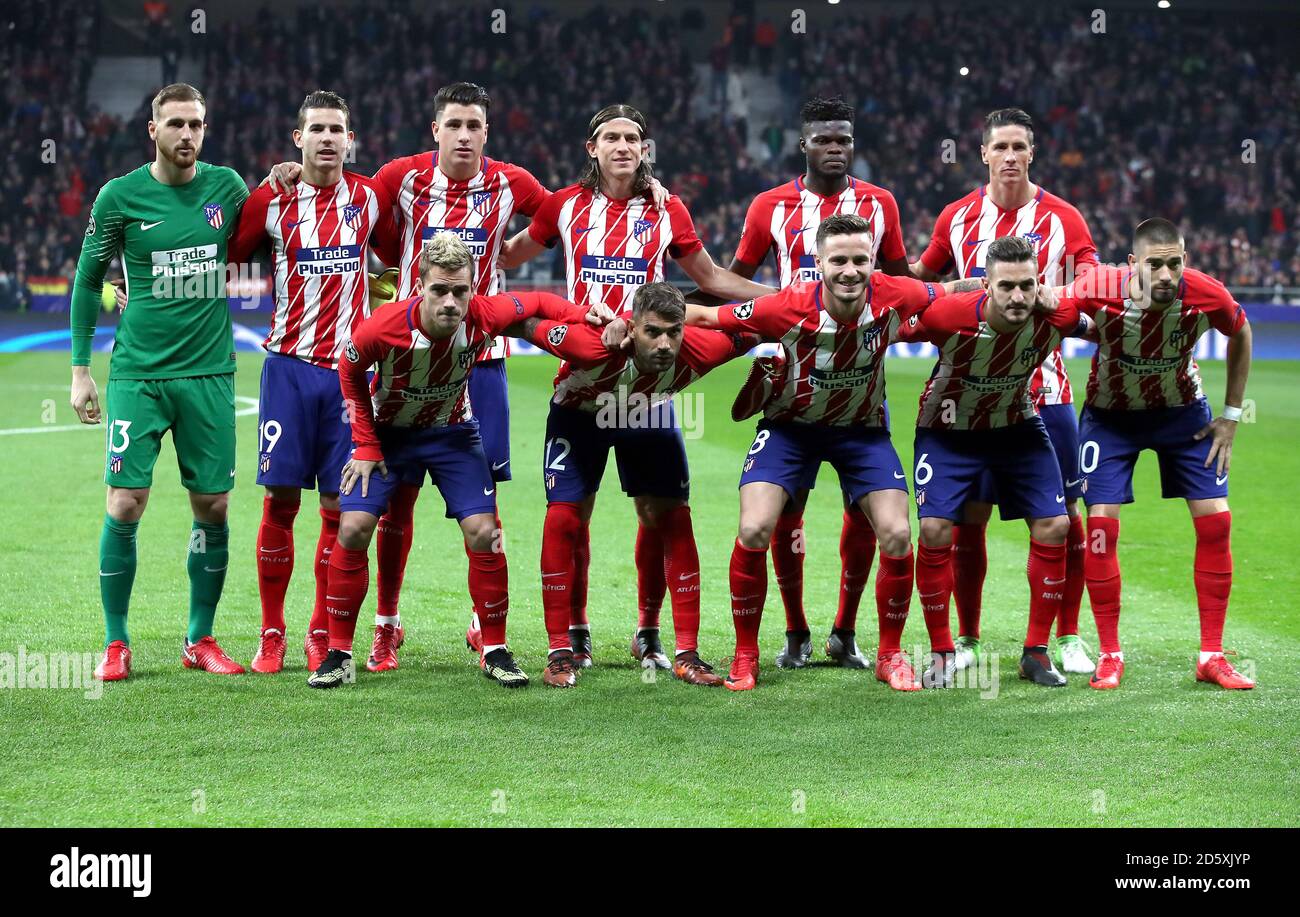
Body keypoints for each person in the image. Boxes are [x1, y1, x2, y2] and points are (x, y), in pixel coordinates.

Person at [497, 103, 773, 668]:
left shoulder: (667, 208)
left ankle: (655, 636)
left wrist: (785, 298)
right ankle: (572, 636)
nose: (623, 147)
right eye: (611, 138)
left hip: (649, 384)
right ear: (591, 149)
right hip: (585, 377)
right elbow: (505, 258)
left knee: (662, 511)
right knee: (572, 516)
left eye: (633, 139)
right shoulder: (563, 206)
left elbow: (712, 279)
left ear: (644, 150)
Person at [309, 232, 609, 689]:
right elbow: (348, 371)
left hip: (453, 434)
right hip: (390, 436)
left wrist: (583, 313)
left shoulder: (485, 314)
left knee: (486, 533)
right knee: (351, 529)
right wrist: (366, 445)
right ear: (420, 284)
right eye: (440, 290)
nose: (451, 302)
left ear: (473, 289)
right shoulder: (383, 327)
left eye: (460, 291)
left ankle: (494, 649)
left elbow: (541, 302)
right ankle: (339, 654)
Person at [685, 213, 955, 692]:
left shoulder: (896, 293)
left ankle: (890, 654)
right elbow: (706, 314)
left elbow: (951, 292)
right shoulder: (784, 306)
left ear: (873, 261)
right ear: (818, 262)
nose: (850, 270)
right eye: (838, 260)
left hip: (862, 431)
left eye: (859, 259)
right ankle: (746, 654)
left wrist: (1009, 286)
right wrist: (630, 319)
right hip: (791, 430)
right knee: (754, 527)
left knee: (896, 533)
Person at [724, 95, 913, 671]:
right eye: (824, 139)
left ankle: (848, 633)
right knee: (785, 516)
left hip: (859, 396)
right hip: (792, 392)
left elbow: (902, 284)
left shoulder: (880, 204)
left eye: (845, 140)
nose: (835, 149)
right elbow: (734, 282)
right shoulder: (769, 207)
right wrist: (785, 312)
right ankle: (795, 632)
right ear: (802, 143)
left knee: (867, 519)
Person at [912, 108, 1100, 676]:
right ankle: (965, 640)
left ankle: (1064, 636)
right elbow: (924, 282)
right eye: (1001, 146)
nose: (1011, 155)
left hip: (1045, 389)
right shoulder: (958, 216)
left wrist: (1059, 298)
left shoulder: (1064, 217)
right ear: (985, 154)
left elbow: (1092, 280)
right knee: (968, 517)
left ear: (1032, 153)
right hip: (967, 398)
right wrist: (953, 289)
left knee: (1065, 515)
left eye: (1020, 145)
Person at [70, 83, 250, 680]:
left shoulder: (227, 188)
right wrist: (80, 372)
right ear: (153, 130)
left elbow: (272, 239)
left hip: (209, 373)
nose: (187, 135)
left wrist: (281, 176)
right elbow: (86, 280)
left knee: (214, 506)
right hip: (139, 374)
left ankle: (200, 638)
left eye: (196, 124)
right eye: (175, 124)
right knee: (125, 502)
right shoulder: (119, 197)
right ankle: (116, 643)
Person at [512, 282, 757, 687]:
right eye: (652, 332)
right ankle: (560, 650)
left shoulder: (704, 349)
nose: (664, 344)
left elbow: (763, 325)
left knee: (674, 517)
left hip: (648, 411)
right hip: (579, 414)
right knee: (564, 519)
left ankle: (685, 653)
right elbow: (525, 325)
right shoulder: (590, 346)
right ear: (632, 327)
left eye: (673, 332)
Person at [226, 90, 395, 673]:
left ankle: (320, 632)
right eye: (317, 129)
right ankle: (272, 632)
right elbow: (228, 255)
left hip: (350, 377)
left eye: (337, 130)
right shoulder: (272, 199)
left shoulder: (370, 198)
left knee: (336, 506)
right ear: (297, 139)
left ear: (351, 140)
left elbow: (404, 257)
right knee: (279, 500)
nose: (327, 138)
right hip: (288, 370)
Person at [1063, 218, 1254, 690]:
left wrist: (1230, 416)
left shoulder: (1206, 293)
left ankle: (1212, 654)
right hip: (1110, 418)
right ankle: (1110, 654)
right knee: (1102, 530)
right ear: (1133, 265)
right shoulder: (1098, 287)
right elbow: (1052, 310)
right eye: (1156, 265)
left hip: (1182, 414)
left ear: (1184, 260)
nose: (1167, 275)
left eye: (1175, 263)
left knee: (1217, 521)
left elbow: (1241, 330)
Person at [900, 235, 1082, 688]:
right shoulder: (949, 316)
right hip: (948, 430)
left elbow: (1090, 310)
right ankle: (943, 652)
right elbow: (896, 325)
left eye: (1027, 285)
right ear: (987, 284)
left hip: (1017, 425)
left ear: (1039, 283)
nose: (1017, 296)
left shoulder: (1055, 316)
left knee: (1056, 525)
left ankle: (1036, 653)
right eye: (1006, 286)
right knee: (935, 529)